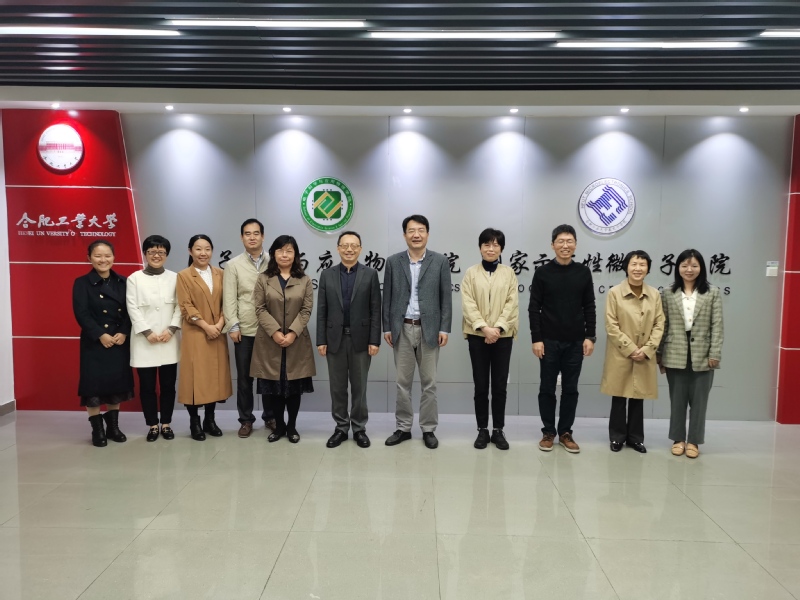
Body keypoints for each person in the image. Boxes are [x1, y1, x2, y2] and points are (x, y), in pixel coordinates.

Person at [382, 214, 452, 449]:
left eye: (421, 230)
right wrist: (387, 327)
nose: (416, 235)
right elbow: (387, 297)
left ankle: (428, 429)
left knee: (429, 383)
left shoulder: (440, 261)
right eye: (411, 231)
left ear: (427, 234)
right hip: (401, 327)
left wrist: (444, 328)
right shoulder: (393, 262)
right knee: (402, 383)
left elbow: (445, 298)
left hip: (429, 329)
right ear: (405, 235)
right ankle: (403, 428)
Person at [529, 224, 596, 454]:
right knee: (547, 388)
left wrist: (590, 336)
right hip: (548, 341)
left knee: (571, 389)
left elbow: (589, 306)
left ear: (575, 245)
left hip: (575, 341)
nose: (565, 245)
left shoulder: (583, 272)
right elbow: (534, 308)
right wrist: (536, 339)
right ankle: (548, 431)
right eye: (561, 241)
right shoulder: (543, 273)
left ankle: (566, 432)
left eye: (569, 241)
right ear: (552, 245)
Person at [317, 230, 382, 449]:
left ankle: (359, 428)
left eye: (354, 245)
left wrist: (374, 340)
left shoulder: (370, 274)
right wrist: (321, 339)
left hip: (361, 341)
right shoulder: (327, 275)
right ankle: (341, 428)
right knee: (337, 388)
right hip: (334, 339)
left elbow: (375, 309)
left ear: (360, 249)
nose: (349, 249)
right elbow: (322, 310)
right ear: (338, 248)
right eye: (345, 245)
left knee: (359, 388)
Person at [658, 249, 724, 459]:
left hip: (703, 354)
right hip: (674, 351)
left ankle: (694, 441)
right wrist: (660, 354)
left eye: (694, 266)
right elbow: (663, 325)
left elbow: (717, 325)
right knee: (677, 400)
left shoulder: (712, 292)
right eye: (685, 265)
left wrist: (715, 353)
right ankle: (678, 439)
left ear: (701, 268)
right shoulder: (668, 292)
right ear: (678, 268)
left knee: (699, 402)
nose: (689, 270)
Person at [250, 235, 315, 443]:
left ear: (295, 254)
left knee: (293, 389)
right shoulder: (263, 279)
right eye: (280, 250)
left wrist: (293, 332)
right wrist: (276, 332)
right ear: (273, 254)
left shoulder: (304, 280)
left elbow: (306, 310)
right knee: (274, 389)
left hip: (297, 342)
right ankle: (279, 427)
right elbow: (259, 308)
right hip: (270, 342)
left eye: (289, 251)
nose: (284, 255)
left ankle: (292, 427)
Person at [600, 250, 665, 453]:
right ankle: (617, 437)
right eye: (634, 264)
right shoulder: (614, 293)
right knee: (619, 396)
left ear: (648, 269)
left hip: (644, 354)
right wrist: (630, 348)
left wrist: (647, 349)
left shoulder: (654, 294)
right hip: (620, 353)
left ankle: (636, 438)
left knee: (639, 396)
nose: (638, 268)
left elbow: (659, 324)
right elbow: (611, 325)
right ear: (626, 267)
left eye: (642, 265)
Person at [461, 228, 519, 450]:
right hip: (477, 336)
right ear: (480, 248)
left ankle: (498, 430)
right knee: (481, 385)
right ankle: (482, 430)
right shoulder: (470, 273)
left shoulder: (509, 273)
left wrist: (498, 329)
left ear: (501, 248)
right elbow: (468, 303)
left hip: (503, 336)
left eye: (495, 245)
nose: (491, 248)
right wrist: (484, 328)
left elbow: (512, 304)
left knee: (499, 386)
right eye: (487, 244)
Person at [72, 240, 134, 447]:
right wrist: (100, 334)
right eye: (98, 256)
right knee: (94, 387)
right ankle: (97, 429)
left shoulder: (124, 282)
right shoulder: (82, 283)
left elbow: (131, 311)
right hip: (95, 342)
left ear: (114, 257)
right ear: (89, 258)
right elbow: (81, 313)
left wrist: (124, 332)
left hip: (118, 340)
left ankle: (113, 428)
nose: (103, 260)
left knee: (115, 384)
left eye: (107, 255)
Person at [223, 218, 276, 439]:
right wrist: (233, 326)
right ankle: (246, 420)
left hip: (270, 330)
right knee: (245, 378)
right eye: (247, 233)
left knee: (269, 377)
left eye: (256, 233)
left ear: (263, 236)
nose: (252, 237)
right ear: (241, 237)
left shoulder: (274, 261)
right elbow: (229, 298)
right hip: (244, 330)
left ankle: (271, 416)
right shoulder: (233, 265)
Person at [176, 234, 232, 441]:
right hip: (196, 333)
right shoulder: (183, 276)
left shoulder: (221, 273)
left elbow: (228, 302)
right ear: (190, 251)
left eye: (207, 248)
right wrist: (206, 326)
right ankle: (194, 422)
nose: (203, 253)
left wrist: (219, 324)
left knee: (214, 377)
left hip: (217, 332)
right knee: (194, 378)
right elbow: (186, 306)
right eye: (198, 249)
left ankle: (210, 420)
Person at [126, 235, 182, 442]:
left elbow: (180, 306)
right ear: (145, 254)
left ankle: (166, 423)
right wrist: (146, 332)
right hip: (144, 341)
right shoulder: (134, 278)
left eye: (161, 252)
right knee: (147, 387)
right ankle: (152, 425)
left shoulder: (175, 278)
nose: (156, 255)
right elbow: (132, 307)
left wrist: (172, 329)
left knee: (168, 386)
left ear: (166, 255)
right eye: (152, 252)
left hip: (169, 339)